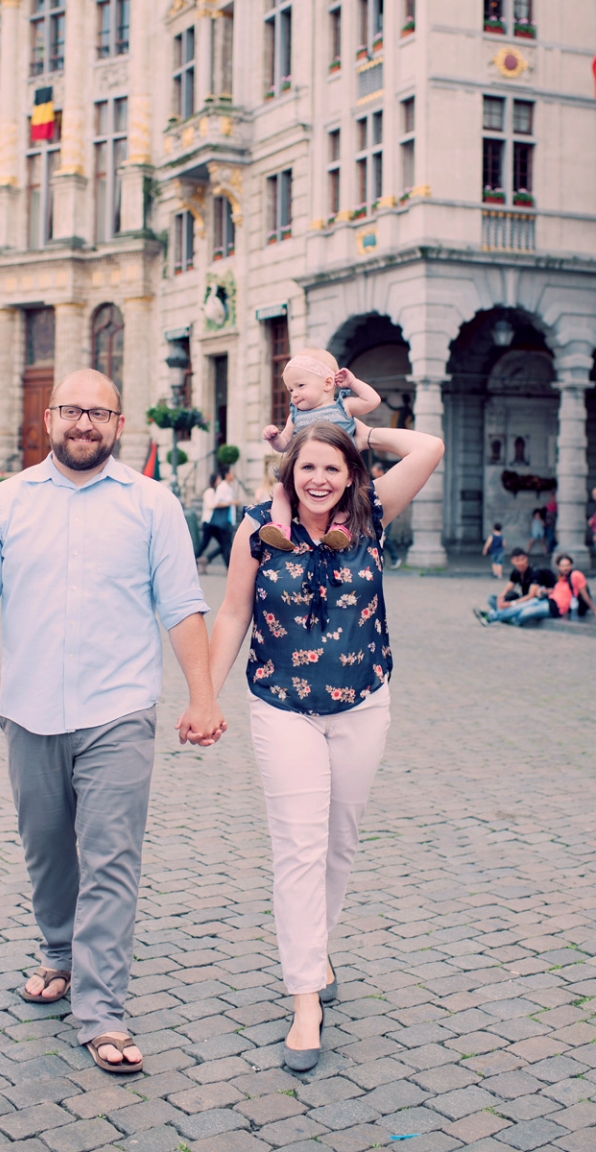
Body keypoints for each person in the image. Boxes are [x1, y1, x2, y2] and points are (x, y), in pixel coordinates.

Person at [0, 369, 225, 1075]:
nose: (85, 425)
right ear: (50, 417)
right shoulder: (5, 504)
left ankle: (101, 1011)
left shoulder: (152, 504)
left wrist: (202, 696)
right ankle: (60, 951)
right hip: (29, 709)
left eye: (100, 413)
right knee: (46, 848)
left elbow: (182, 604)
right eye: (73, 411)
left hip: (119, 710)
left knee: (111, 858)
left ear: (119, 424)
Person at [208, 419, 444, 1071]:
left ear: (351, 476)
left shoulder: (372, 515)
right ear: (290, 470)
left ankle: (314, 948)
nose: (318, 479)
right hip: (282, 705)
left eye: (332, 469)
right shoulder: (259, 529)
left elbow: (429, 448)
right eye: (307, 467)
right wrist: (204, 694)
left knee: (339, 842)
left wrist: (363, 432)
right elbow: (233, 613)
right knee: (299, 847)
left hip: (363, 699)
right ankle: (305, 998)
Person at [260, 348, 380, 551]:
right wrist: (274, 438)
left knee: (350, 500)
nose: (294, 394)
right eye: (290, 390)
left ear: (327, 383)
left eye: (300, 386)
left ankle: (339, 531)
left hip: (340, 476)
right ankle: (281, 528)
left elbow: (372, 401)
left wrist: (353, 383)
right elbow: (285, 444)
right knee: (280, 490)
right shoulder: (295, 416)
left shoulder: (344, 407)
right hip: (303, 476)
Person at [473, 547, 554, 627]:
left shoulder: (535, 572)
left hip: (532, 602)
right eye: (517, 560)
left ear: (526, 559)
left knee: (519, 610)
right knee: (492, 599)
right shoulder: (516, 572)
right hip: (522, 599)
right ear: (512, 561)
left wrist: (511, 604)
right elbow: (509, 586)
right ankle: (506, 616)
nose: (521, 563)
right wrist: (501, 597)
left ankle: (490, 616)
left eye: (523, 559)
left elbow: (531, 596)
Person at [370, 461, 401, 569]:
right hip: (378, 514)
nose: (373, 474)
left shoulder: (387, 482)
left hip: (386, 513)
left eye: (374, 472)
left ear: (380, 471)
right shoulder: (376, 482)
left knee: (384, 537)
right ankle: (382, 561)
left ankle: (395, 558)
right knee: (380, 537)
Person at [548, 553, 595, 620]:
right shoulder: (561, 577)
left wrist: (593, 609)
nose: (566, 568)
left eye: (568, 565)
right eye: (563, 566)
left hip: (571, 606)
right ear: (558, 567)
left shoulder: (576, 575)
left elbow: (585, 595)